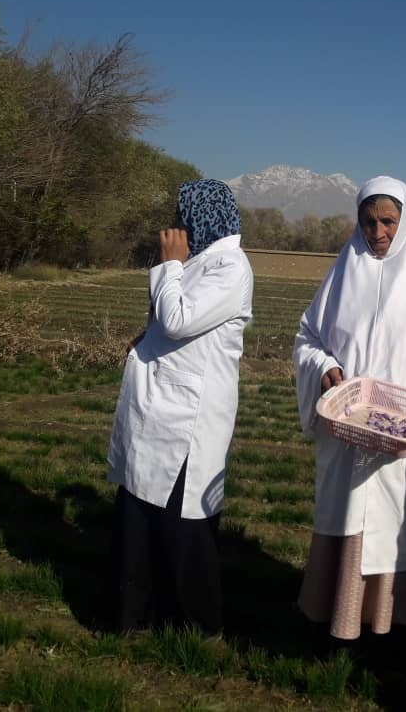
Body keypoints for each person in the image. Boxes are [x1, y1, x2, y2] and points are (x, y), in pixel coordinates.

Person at [293, 175, 406, 647]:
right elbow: (308, 336)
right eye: (370, 221)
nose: (379, 232)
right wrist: (326, 366)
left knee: (393, 535)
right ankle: (337, 625)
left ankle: (390, 636)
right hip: (346, 432)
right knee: (344, 523)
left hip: (404, 442)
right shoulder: (343, 271)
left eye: (389, 221)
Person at [108, 178, 254, 634]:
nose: (175, 225)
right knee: (139, 514)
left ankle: (195, 624)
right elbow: (166, 322)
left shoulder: (230, 267)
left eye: (182, 215)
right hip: (158, 405)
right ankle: (136, 617)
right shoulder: (201, 261)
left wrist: (170, 265)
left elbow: (178, 319)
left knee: (182, 523)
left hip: (188, 415)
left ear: (202, 217)